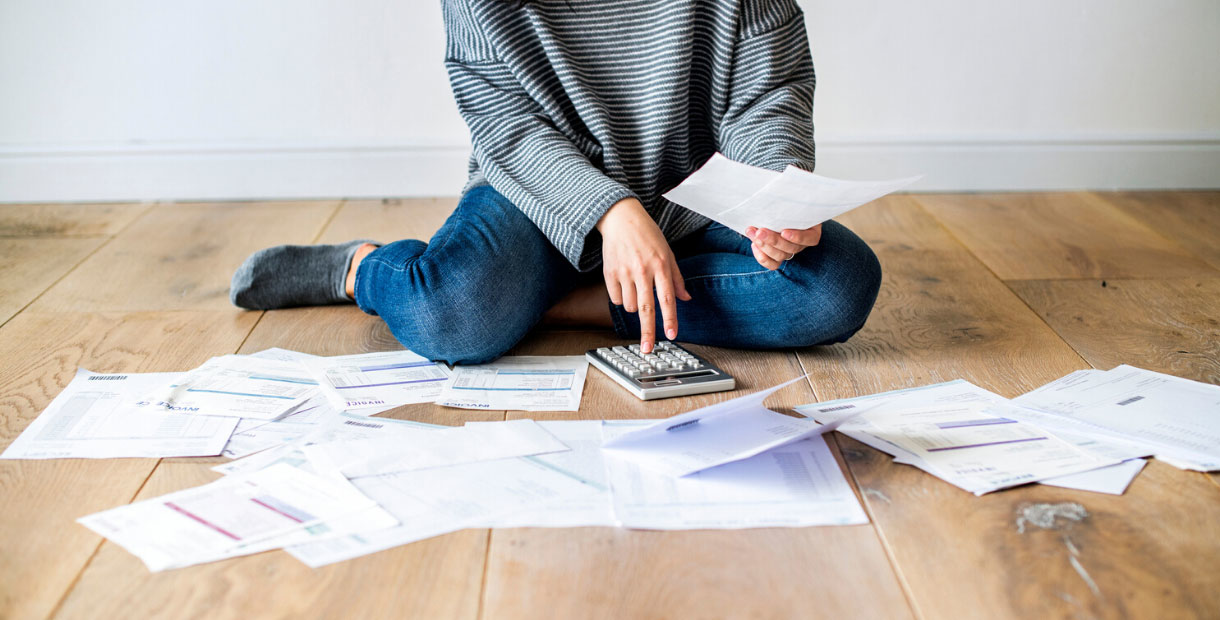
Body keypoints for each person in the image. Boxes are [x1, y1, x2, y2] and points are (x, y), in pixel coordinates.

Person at [230, 0, 881, 364]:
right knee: (447, 314)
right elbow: (505, 124)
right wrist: (614, 212)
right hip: (539, 193)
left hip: (691, 197)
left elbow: (769, 92)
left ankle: (562, 304)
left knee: (836, 286)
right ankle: (363, 270)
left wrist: (771, 201)